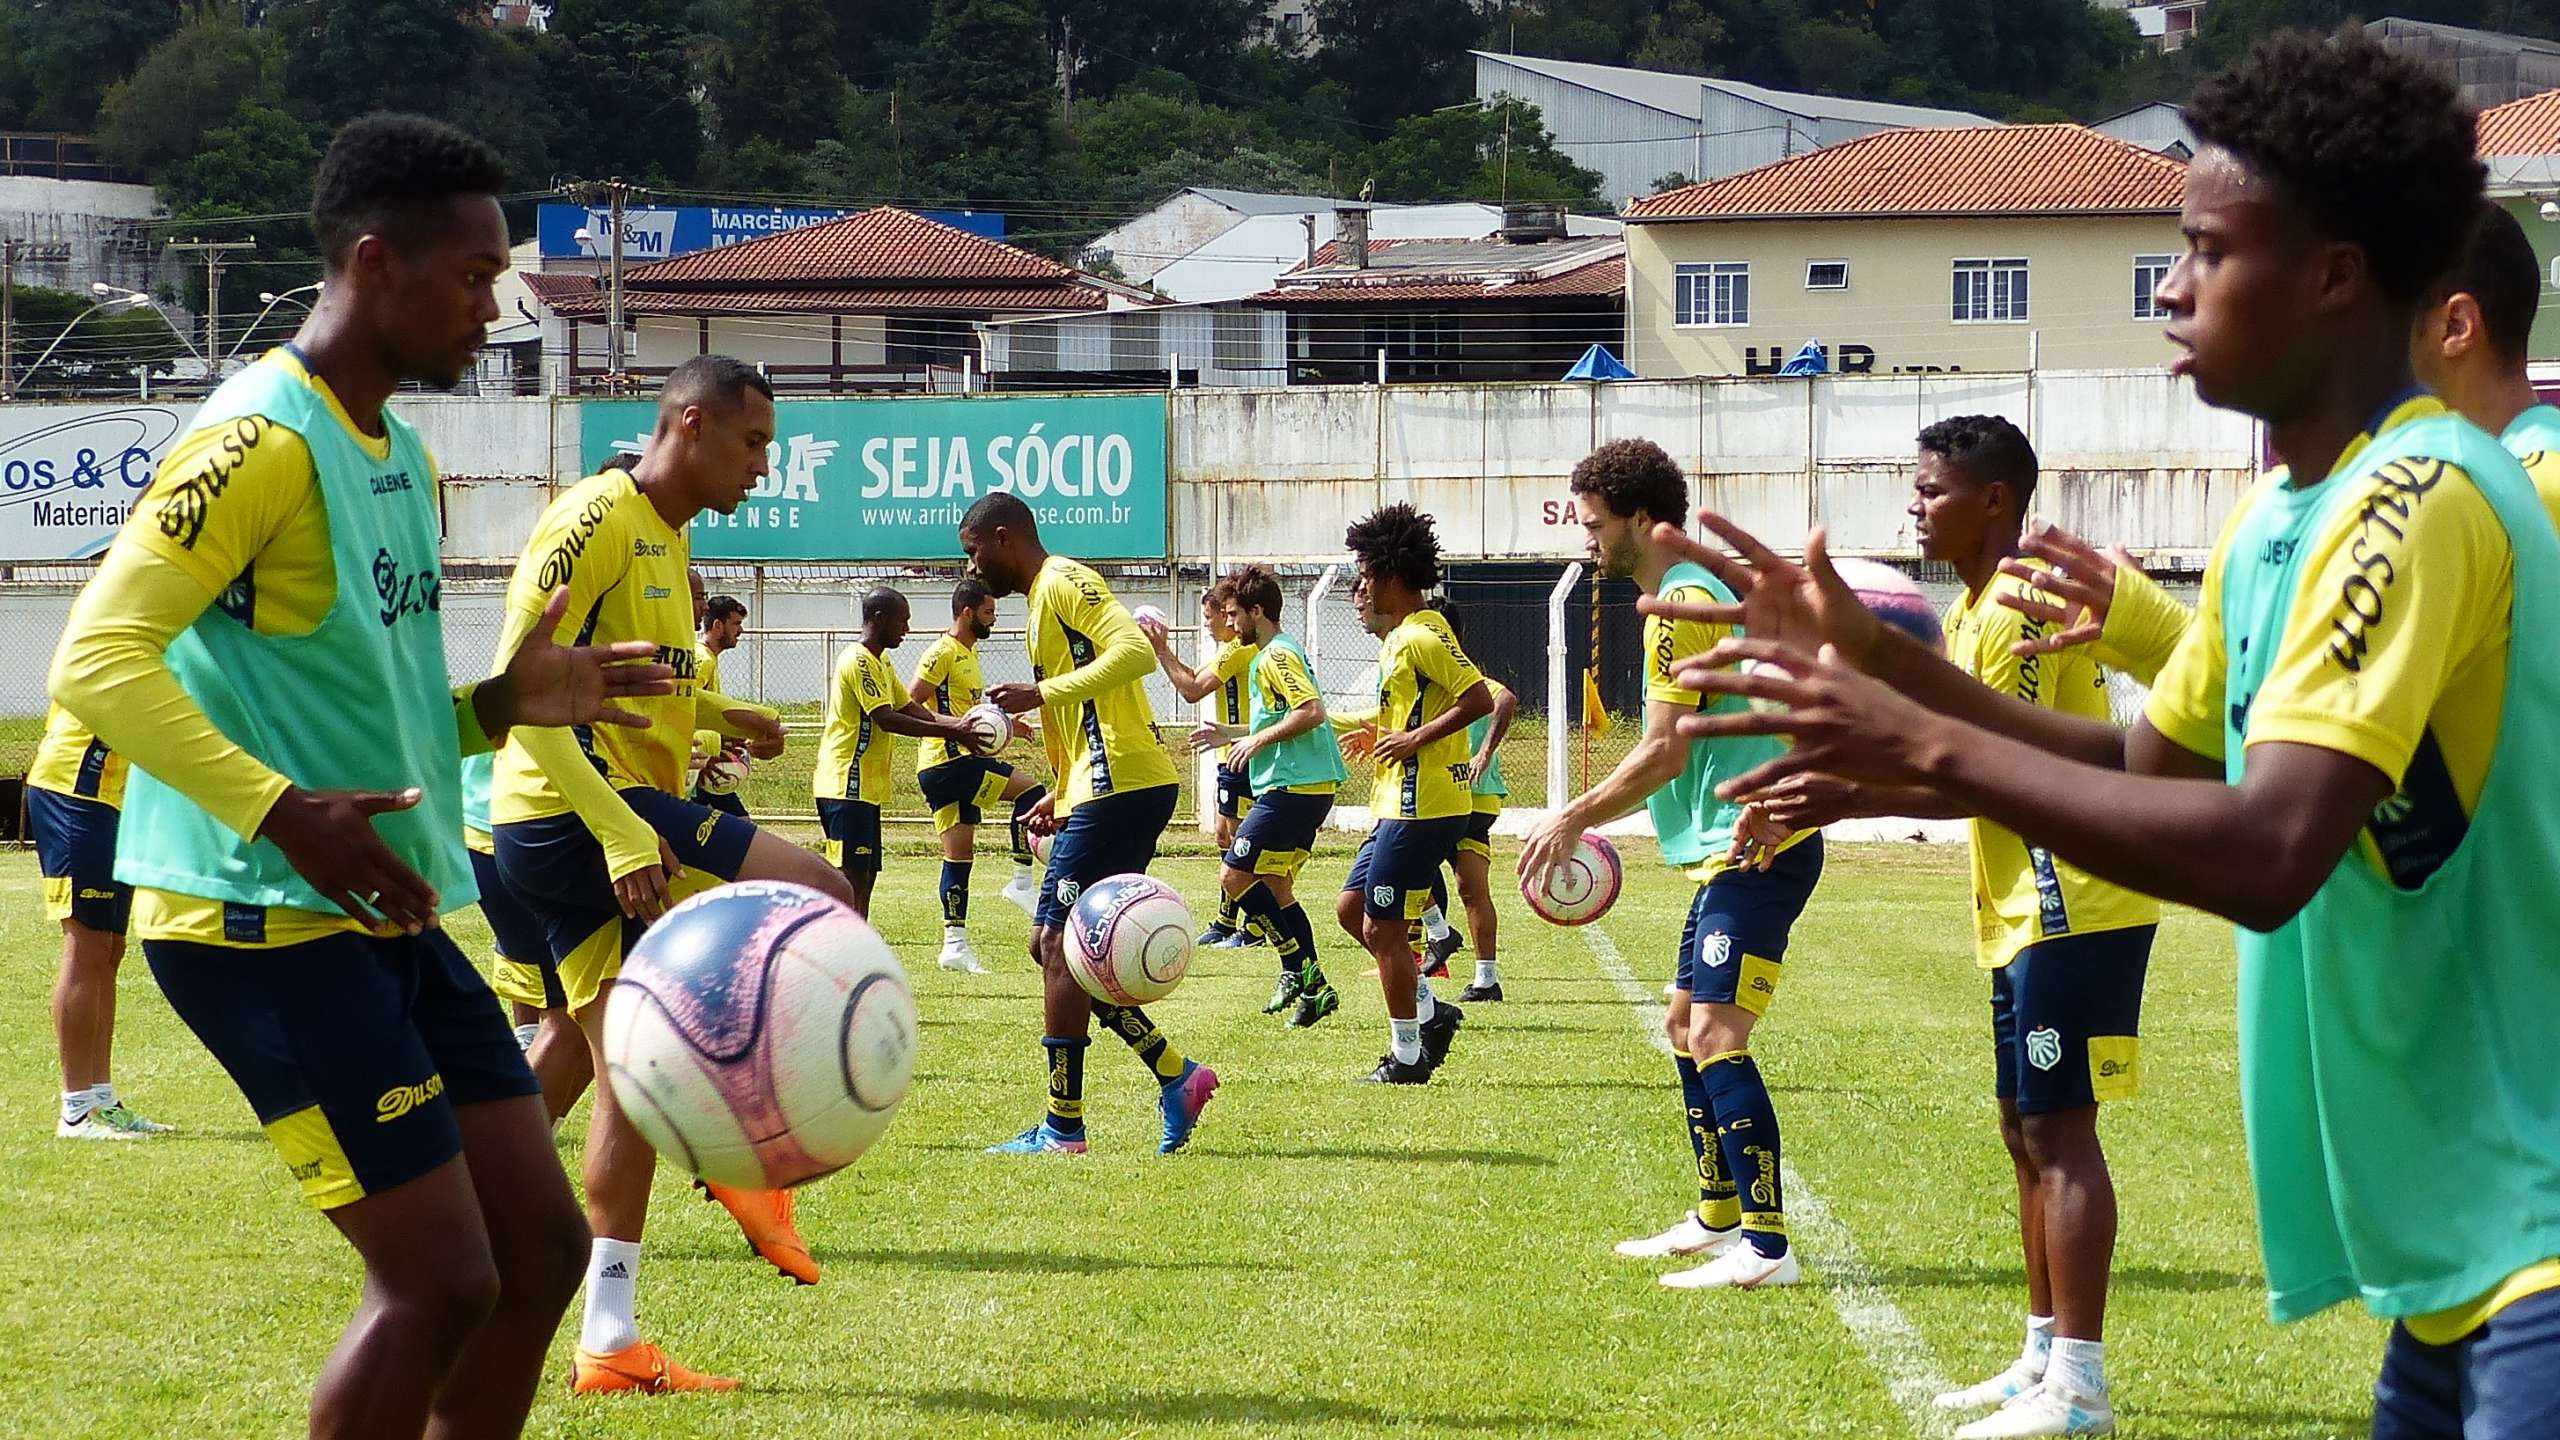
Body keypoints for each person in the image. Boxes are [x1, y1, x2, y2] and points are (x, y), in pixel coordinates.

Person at [1650, 30, 2560, 1438]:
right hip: (2456, 1258)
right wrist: (1886, 685)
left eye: (2206, 250)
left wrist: (1923, 745)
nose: (2173, 290)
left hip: (2536, 1240)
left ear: (2330, 275)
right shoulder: (2281, 520)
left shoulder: (2423, 496)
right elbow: (2150, 771)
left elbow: (2267, 852)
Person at [43, 112, 675, 1440]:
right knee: (440, 1282)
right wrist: (280, 815)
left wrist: (499, 706)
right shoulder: (257, 442)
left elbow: (359, 717)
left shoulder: (397, 456)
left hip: (379, 913)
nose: (491, 307)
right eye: (473, 276)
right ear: (378, 263)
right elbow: (98, 658)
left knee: (541, 1257)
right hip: (256, 922)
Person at [1767, 418, 2159, 1428]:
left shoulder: (2020, 600)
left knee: (2059, 1131)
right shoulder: (1978, 605)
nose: (1914, 505)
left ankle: (2080, 1383)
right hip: (2021, 902)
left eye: (1932, 489)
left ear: (1995, 499)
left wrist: (1846, 795)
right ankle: (2038, 1358)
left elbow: (2001, 769)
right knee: (2021, 1132)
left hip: (2074, 898)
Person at [492, 355, 861, 1394]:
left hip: (590, 813)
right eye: (754, 445)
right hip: (570, 815)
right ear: (690, 425)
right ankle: (747, 1154)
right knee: (822, 893)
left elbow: (623, 689)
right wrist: (616, 832)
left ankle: (598, 1330)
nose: (763, 468)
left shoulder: (668, 531)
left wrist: (718, 713)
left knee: (601, 1065)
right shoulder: (592, 521)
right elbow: (521, 695)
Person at [1517, 439, 1818, 1289]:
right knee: (1684, 1026)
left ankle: (1766, 1246)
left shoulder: (1682, 602)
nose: (1587, 540)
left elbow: (1663, 752)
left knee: (1717, 1035)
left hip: (1760, 850)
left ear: (1642, 520)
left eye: (1594, 523)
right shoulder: (1698, 594)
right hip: (1735, 850)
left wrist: (1569, 817)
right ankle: (1718, 1214)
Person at [958, 490, 1221, 1155]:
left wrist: (1041, 692)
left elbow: (1132, 653)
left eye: (973, 551)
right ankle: (1174, 1075)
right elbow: (1093, 719)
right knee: (1061, 950)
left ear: (1003, 536)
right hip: (1104, 789)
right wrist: (1066, 793)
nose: (971, 566)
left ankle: (1063, 1129)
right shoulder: (1042, 600)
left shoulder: (1066, 580)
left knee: (1057, 947)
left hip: (1123, 786)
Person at [1332, 503, 1492, 1085]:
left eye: (1365, 575)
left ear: (1392, 576)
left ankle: (1406, 1055)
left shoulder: (1423, 634)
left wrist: (1415, 739)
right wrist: (1384, 733)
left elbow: (1478, 698)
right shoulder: (1402, 638)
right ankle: (1431, 1012)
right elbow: (1419, 710)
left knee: (1383, 928)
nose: (1360, 588)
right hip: (1397, 804)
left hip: (1423, 808)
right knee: (1354, 912)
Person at [1188, 563, 1346, 1026]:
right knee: (1276, 886)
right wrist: (1234, 733)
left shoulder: (1276, 655)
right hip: (1301, 785)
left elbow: (1311, 711)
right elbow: (1282, 716)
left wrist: (1256, 742)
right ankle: (1317, 991)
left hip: (1295, 787)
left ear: (1258, 611)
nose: (1230, 623)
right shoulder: (1272, 654)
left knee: (1234, 875)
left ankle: (1294, 967)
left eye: (1235, 613)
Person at [29, 708, 169, 1137]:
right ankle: (74, 1109)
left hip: (110, 800)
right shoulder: (111, 644)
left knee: (110, 948)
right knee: (86, 944)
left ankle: (101, 1099)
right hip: (72, 791)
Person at [812, 586, 987, 923]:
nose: (907, 629)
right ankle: (839, 941)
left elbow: (909, 706)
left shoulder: (882, 660)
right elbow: (887, 718)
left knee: (865, 874)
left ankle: (859, 940)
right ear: (879, 618)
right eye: (902, 621)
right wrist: (954, 732)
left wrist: (965, 725)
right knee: (850, 876)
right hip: (845, 784)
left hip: (866, 788)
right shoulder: (857, 659)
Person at [910, 577, 1047, 970]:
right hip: (950, 763)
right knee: (1032, 791)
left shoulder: (968, 654)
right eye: (989, 613)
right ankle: (1021, 882)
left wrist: (1007, 724)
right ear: (967, 612)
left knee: (959, 858)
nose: (994, 620)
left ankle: (954, 945)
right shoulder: (943, 652)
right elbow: (910, 701)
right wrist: (958, 730)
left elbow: (974, 715)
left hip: (947, 766)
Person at [1141, 581, 1263, 947]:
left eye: (1213, 617)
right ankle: (1227, 921)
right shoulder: (1228, 651)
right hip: (1230, 753)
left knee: (1244, 842)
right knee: (1226, 836)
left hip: (1244, 753)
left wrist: (1162, 650)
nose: (1209, 624)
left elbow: (1192, 689)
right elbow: (1196, 677)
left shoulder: (1238, 650)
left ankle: (1255, 927)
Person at [1432, 606, 1517, 1003]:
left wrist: (1482, 754)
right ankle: (1484, 978)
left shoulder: (1456, 674)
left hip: (1460, 796)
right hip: (1471, 798)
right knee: (1470, 887)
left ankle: (1437, 938)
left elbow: (1506, 698)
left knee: (1395, 863)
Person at [690, 583, 751, 816]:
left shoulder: (709, 659)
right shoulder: (702, 659)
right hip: (696, 764)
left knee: (742, 825)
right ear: (717, 626)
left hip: (707, 760)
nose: (741, 630)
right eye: (736, 623)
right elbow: (680, 706)